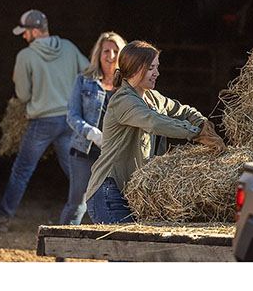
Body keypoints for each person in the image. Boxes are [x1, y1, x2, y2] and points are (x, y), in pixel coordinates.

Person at [83, 40, 226, 224]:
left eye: (157, 67)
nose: (157, 73)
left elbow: (183, 110)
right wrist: (196, 133)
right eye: (151, 68)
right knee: (129, 250)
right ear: (136, 68)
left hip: (131, 193)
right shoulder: (123, 101)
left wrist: (202, 124)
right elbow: (154, 122)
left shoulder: (152, 97)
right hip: (108, 191)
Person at [0, 9, 90, 232]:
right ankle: (103, 211)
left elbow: (23, 96)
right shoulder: (68, 47)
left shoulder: (26, 56)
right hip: (69, 119)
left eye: (26, 32)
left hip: (43, 121)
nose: (23, 36)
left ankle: (1, 217)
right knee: (76, 171)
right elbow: (88, 71)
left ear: (36, 31)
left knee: (22, 170)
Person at [63, 31, 128, 225]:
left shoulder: (128, 86)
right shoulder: (84, 80)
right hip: (84, 151)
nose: (111, 56)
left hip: (114, 154)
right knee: (77, 204)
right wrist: (91, 132)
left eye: (116, 51)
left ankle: (114, 254)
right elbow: (72, 115)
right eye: (106, 51)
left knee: (112, 204)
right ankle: (61, 252)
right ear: (98, 54)